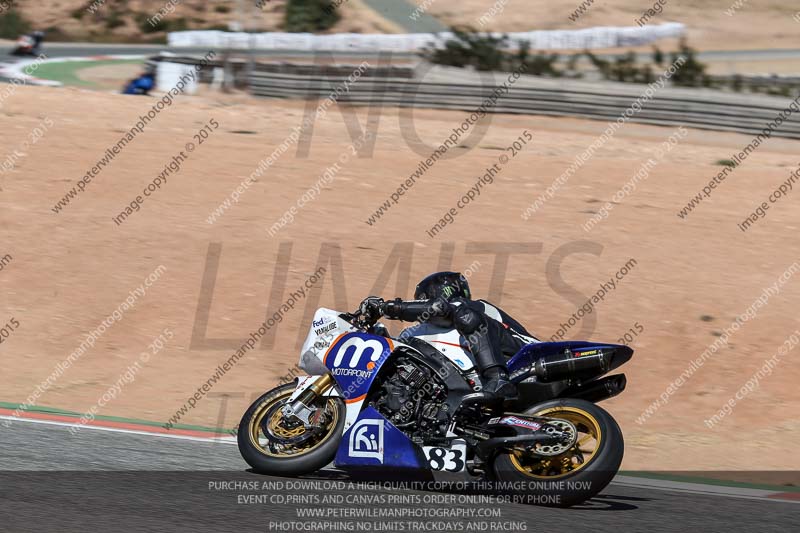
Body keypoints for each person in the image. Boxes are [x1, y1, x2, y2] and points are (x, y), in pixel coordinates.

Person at [358, 271, 539, 400]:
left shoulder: (469, 307)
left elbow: (440, 307)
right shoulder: (432, 332)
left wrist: (387, 308)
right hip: (491, 381)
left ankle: (497, 378)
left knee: (466, 317)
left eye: (422, 300)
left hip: (527, 359)